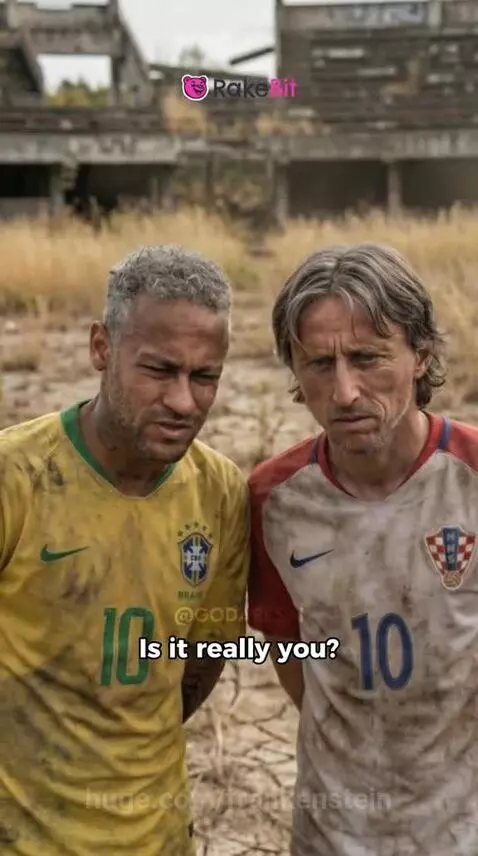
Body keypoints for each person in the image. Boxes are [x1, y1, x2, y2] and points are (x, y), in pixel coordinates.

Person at [0, 245, 250, 855]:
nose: (184, 401)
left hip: (158, 838)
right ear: (100, 348)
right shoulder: (18, 478)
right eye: (159, 370)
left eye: (205, 377)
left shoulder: (220, 494)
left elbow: (202, 661)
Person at [247, 242, 478, 856]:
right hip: (334, 833)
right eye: (319, 363)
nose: (345, 391)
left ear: (420, 354)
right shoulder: (275, 498)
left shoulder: (473, 475)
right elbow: (292, 655)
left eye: (367, 358)